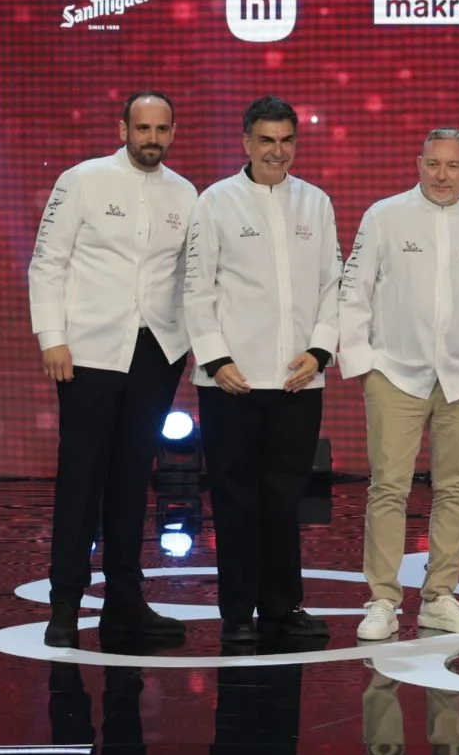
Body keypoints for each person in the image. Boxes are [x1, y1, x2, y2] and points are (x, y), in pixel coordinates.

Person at [29, 92, 197, 653]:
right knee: (81, 479)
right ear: (123, 127)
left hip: (157, 352)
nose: (152, 138)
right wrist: (53, 337)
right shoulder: (82, 180)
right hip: (89, 353)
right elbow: (47, 261)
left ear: (173, 133)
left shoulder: (185, 194)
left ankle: (125, 606)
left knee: (131, 481)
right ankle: (65, 606)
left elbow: (188, 276)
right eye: (142, 127)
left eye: (162, 129)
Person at [336, 126, 459, 643]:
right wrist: (364, 363)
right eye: (433, 164)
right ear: (418, 164)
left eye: (453, 165)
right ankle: (382, 599)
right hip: (394, 372)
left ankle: (439, 596)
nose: (442, 175)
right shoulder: (384, 216)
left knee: (455, 488)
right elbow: (355, 292)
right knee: (388, 488)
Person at [185, 97, 341, 654]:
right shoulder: (216, 202)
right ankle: (236, 612)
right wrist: (215, 359)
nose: (278, 151)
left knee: (285, 497)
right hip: (232, 382)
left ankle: (282, 607)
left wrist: (320, 352)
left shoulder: (316, 203)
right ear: (246, 142)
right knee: (234, 498)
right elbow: (196, 287)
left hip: (299, 380)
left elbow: (333, 285)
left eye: (287, 141)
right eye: (267, 140)